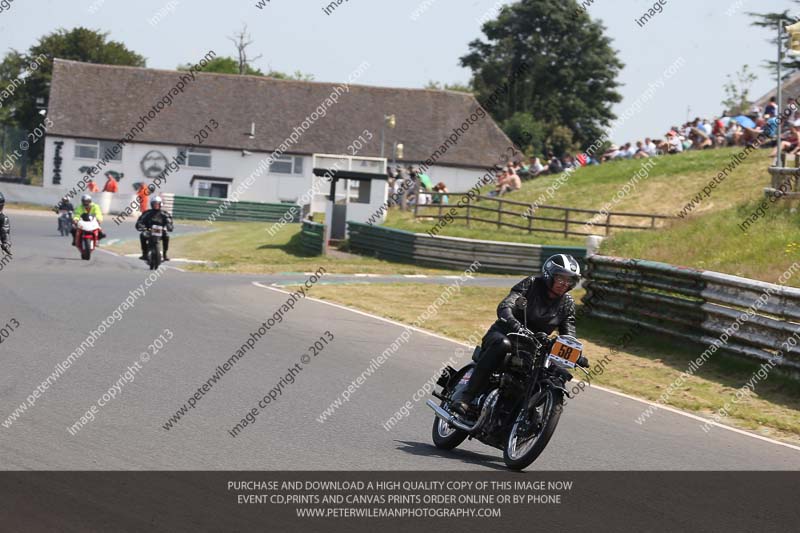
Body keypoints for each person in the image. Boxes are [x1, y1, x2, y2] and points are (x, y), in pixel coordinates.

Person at [451, 254, 581, 416]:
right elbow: (506, 305)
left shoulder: (567, 303)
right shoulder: (532, 284)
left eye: (570, 281)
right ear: (550, 274)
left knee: (551, 373)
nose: (565, 284)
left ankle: (523, 413)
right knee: (502, 345)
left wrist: (575, 353)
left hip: (533, 349)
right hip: (505, 333)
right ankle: (466, 398)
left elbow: (569, 333)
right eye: (561, 278)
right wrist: (514, 323)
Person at [135, 196, 174, 261]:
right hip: (149, 231)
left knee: (167, 236)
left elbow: (169, 221)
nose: (156, 205)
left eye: (157, 204)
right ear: (152, 204)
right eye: (154, 204)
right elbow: (140, 221)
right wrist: (140, 226)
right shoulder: (147, 213)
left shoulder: (165, 213)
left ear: (160, 204)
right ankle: (144, 253)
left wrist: (169, 226)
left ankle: (164, 254)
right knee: (142, 235)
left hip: (161, 231)